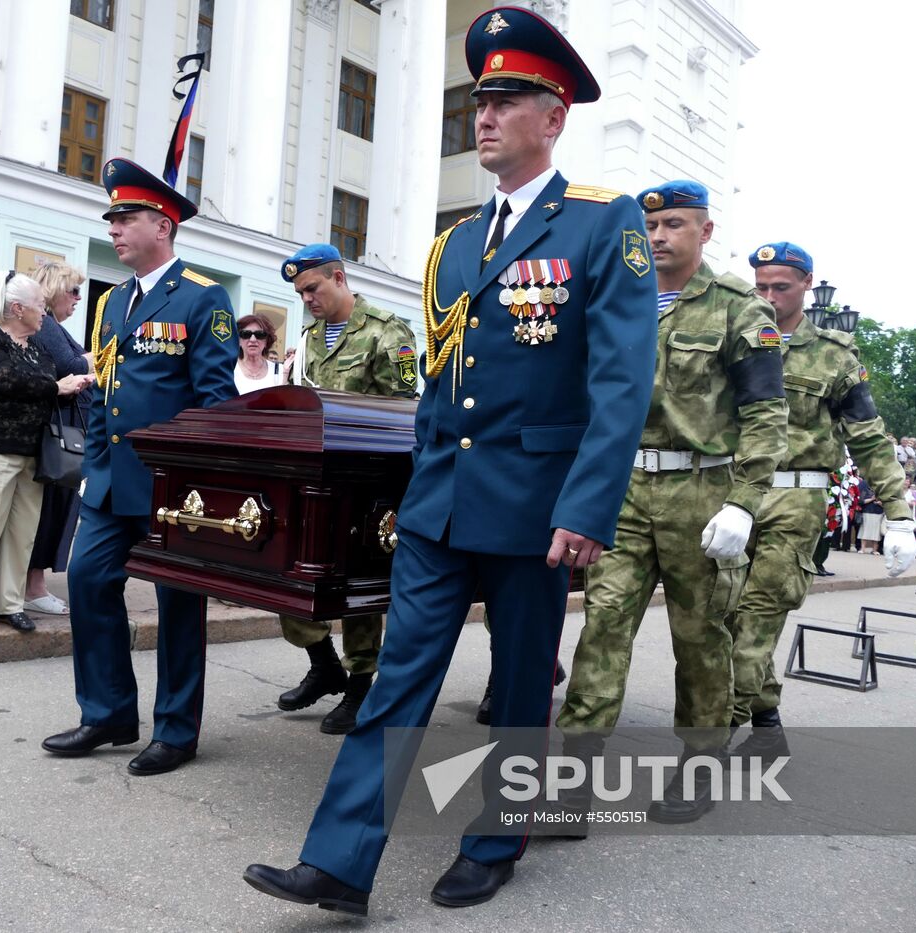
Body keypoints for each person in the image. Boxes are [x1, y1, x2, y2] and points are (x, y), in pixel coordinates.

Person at [244, 8, 657, 911]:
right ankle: (339, 861)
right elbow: (441, 385)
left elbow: (624, 381)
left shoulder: (601, 224)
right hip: (439, 501)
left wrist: (588, 507)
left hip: (537, 503)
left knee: (516, 682)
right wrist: (412, 488)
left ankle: (495, 836)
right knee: (400, 677)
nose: (484, 114)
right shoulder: (455, 244)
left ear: (553, 118)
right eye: (480, 99)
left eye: (507, 99)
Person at [555, 179, 789, 828]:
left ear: (706, 232)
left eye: (675, 225)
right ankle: (573, 778)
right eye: (651, 227)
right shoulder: (618, 298)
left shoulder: (741, 309)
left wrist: (743, 503)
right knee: (603, 624)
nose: (659, 237)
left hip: (702, 493)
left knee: (701, 637)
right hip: (623, 491)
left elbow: (768, 415)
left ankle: (701, 761)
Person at [41, 158, 237, 775]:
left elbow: (214, 404)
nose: (115, 229)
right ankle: (108, 713)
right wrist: (96, 460)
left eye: (126, 218)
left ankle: (176, 730)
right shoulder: (112, 303)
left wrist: (198, 484)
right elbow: (102, 390)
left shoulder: (205, 299)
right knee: (88, 583)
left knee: (179, 606)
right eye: (112, 219)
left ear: (163, 224)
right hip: (111, 483)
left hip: (174, 490)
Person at [727, 242, 915, 764]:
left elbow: (870, 438)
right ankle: (767, 728)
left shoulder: (834, 354)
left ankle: (706, 747)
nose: (767, 297)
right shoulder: (735, 338)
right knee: (723, 620)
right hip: (732, 497)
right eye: (759, 286)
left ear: (807, 284)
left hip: (796, 500)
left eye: (780, 287)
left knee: (754, 622)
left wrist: (898, 514)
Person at [265, 244, 419, 734]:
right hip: (317, 479)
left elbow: (405, 409)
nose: (306, 298)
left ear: (338, 277)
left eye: (313, 288)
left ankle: (359, 685)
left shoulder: (387, 331)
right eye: (300, 292)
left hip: (368, 485)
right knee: (292, 571)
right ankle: (323, 664)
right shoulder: (310, 336)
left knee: (358, 588)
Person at [0, 270, 93, 635]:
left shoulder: (38, 349)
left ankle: (8, 604)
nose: (43, 312)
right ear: (16, 308)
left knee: (21, 533)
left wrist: (67, 386)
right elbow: (4, 378)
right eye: (38, 306)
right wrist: (55, 386)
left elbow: (40, 383)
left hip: (32, 454)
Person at [24, 259, 92, 616]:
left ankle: (33, 584)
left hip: (60, 426)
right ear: (54, 290)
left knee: (51, 508)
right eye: (75, 290)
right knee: (50, 508)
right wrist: (94, 359)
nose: (79, 298)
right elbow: (71, 365)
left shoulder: (49, 324)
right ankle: (34, 586)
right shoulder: (47, 324)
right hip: (56, 430)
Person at [232, 312, 285, 393]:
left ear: (267, 341)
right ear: (238, 340)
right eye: (246, 334)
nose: (253, 340)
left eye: (259, 335)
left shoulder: (279, 370)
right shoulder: (230, 370)